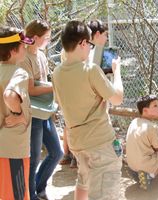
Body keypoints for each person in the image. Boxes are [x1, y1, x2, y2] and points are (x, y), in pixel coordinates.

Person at [52, 20, 124, 200]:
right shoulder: (90, 70)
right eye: (89, 44)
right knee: (106, 193)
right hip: (99, 143)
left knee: (84, 181)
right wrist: (117, 73)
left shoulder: (57, 73)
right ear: (83, 43)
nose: (90, 49)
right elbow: (117, 99)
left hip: (78, 143)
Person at [19, 19, 63, 200]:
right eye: (46, 37)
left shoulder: (42, 55)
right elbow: (31, 89)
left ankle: (38, 187)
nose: (49, 40)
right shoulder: (24, 58)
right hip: (32, 113)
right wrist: (57, 86)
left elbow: (42, 85)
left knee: (57, 153)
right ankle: (30, 195)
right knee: (34, 157)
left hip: (44, 112)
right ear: (35, 38)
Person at [0, 26, 35, 200]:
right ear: (13, 50)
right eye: (23, 46)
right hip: (13, 149)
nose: (26, 49)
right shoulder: (19, 73)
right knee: (17, 195)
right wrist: (18, 113)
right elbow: (9, 95)